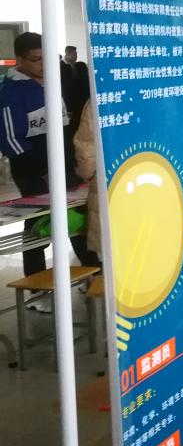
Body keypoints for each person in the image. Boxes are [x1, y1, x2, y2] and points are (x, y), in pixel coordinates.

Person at [0, 32, 86, 278]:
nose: (42, 64)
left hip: (64, 165)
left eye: (46, 58)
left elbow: (64, 123)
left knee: (76, 217)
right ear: (20, 60)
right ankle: (35, 278)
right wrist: (40, 171)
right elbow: (9, 140)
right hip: (34, 171)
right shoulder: (10, 93)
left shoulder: (52, 83)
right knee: (39, 223)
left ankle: (92, 271)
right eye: (35, 60)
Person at [72, 100, 103, 267]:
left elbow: (85, 147)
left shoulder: (98, 99)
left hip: (107, 181)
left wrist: (88, 176)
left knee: (113, 258)